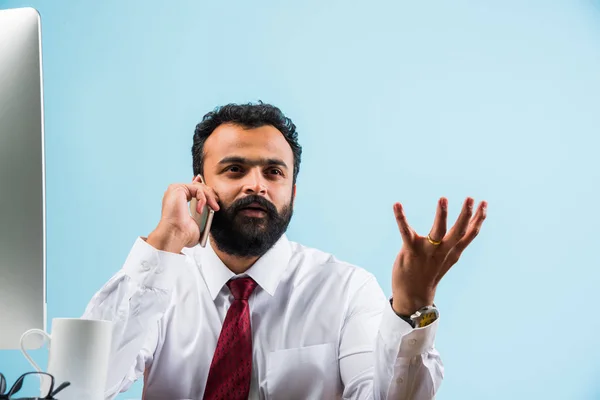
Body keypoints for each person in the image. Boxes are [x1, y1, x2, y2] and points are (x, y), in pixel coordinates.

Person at [82, 102, 487, 400]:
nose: (256, 185)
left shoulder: (346, 290)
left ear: (292, 191)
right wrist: (162, 244)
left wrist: (412, 305)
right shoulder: (162, 283)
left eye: (273, 172)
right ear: (199, 186)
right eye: (234, 169)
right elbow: (83, 385)